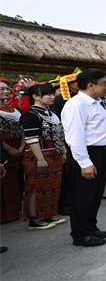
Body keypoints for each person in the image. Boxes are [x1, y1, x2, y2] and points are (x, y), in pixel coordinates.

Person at [61, 69, 106, 247]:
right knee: (83, 195)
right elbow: (75, 137)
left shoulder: (95, 103)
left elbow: (99, 131)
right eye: (104, 84)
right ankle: (81, 234)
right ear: (91, 85)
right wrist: (85, 163)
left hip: (99, 151)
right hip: (85, 154)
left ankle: (91, 227)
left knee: (94, 194)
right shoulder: (76, 105)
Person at [21, 83, 67, 229]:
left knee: (52, 185)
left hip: (54, 154)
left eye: (53, 94)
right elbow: (31, 139)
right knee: (36, 186)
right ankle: (34, 219)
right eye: (48, 94)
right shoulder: (30, 115)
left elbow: (59, 135)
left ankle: (48, 215)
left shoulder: (51, 114)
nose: (52, 97)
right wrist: (40, 158)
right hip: (38, 155)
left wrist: (63, 151)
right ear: (35, 97)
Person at [0, 77, 24, 223]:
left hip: (18, 149)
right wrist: (10, 149)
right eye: (1, 89)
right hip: (3, 151)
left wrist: (21, 147)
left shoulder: (14, 109)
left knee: (16, 182)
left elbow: (22, 130)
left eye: (7, 89)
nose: (6, 92)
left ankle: (14, 212)